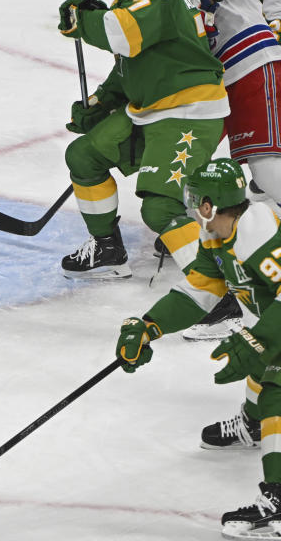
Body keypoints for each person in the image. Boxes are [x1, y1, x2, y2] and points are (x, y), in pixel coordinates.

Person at [113, 158, 281, 539]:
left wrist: (258, 340)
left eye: (193, 198)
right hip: (274, 322)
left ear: (208, 205)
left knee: (276, 390)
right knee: (261, 374)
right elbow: (201, 293)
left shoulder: (259, 231)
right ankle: (254, 426)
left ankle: (279, 504)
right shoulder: (217, 237)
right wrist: (149, 326)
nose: (189, 204)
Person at [56, 0, 230, 280]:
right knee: (84, 155)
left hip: (188, 112)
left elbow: (122, 35)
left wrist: (84, 21)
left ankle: (215, 295)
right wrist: (101, 102)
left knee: (160, 208)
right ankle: (107, 249)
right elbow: (132, 64)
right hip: (154, 108)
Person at [142, 0, 281, 338]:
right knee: (189, 178)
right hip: (217, 83)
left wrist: (206, 1)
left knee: (270, 177)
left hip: (252, 65)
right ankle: (219, 282)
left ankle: (244, 290)